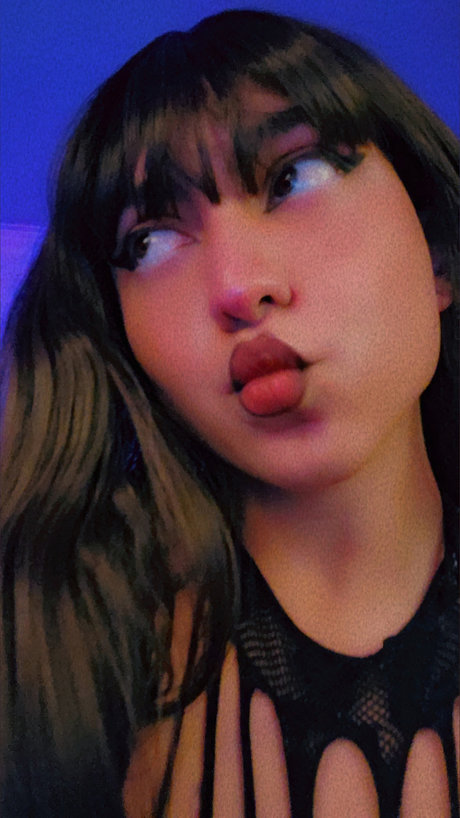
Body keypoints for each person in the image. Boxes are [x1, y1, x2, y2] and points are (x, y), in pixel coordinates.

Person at [0, 8, 458, 817]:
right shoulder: (64, 646)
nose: (238, 288)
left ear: (440, 259)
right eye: (149, 243)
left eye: (295, 176)